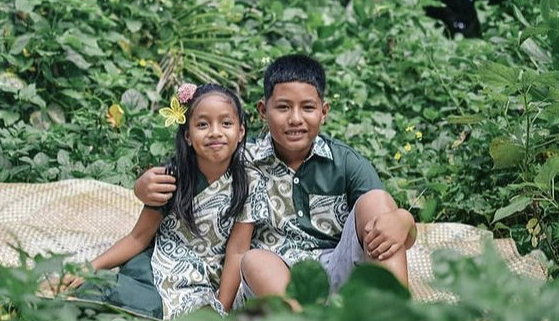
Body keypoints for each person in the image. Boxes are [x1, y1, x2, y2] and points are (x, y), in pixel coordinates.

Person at [135, 54, 416, 304]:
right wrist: (142, 187)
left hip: (334, 273)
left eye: (307, 108)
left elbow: (389, 226)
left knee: (378, 201)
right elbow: (191, 171)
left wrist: (405, 221)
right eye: (283, 108)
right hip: (270, 283)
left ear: (324, 112)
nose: (295, 119)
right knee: (255, 260)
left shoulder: (343, 161)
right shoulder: (242, 158)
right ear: (262, 111)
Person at [65, 83, 264, 320]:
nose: (215, 132)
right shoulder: (171, 178)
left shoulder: (249, 182)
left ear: (241, 132)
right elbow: (137, 237)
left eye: (226, 123)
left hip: (203, 279)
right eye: (202, 124)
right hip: (156, 265)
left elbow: (237, 252)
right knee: (103, 289)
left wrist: (221, 308)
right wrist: (90, 267)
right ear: (188, 135)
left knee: (173, 315)